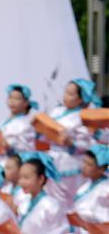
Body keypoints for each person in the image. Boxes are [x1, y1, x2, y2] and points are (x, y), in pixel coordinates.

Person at [45, 79, 99, 209]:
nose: (65, 97)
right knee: (51, 197)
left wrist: (71, 143)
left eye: (70, 94)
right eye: (66, 92)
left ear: (81, 99)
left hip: (70, 161)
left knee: (70, 199)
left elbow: (88, 143)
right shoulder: (56, 111)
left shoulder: (84, 116)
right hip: (52, 157)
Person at [63, 144, 109, 234]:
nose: (84, 166)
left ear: (101, 169)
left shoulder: (106, 190)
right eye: (84, 162)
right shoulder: (84, 187)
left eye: (89, 164)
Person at [0, 84, 37, 156]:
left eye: (17, 98)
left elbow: (27, 148)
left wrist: (9, 147)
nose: (12, 101)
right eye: (10, 97)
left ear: (26, 103)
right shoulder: (4, 122)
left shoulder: (27, 124)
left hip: (18, 162)